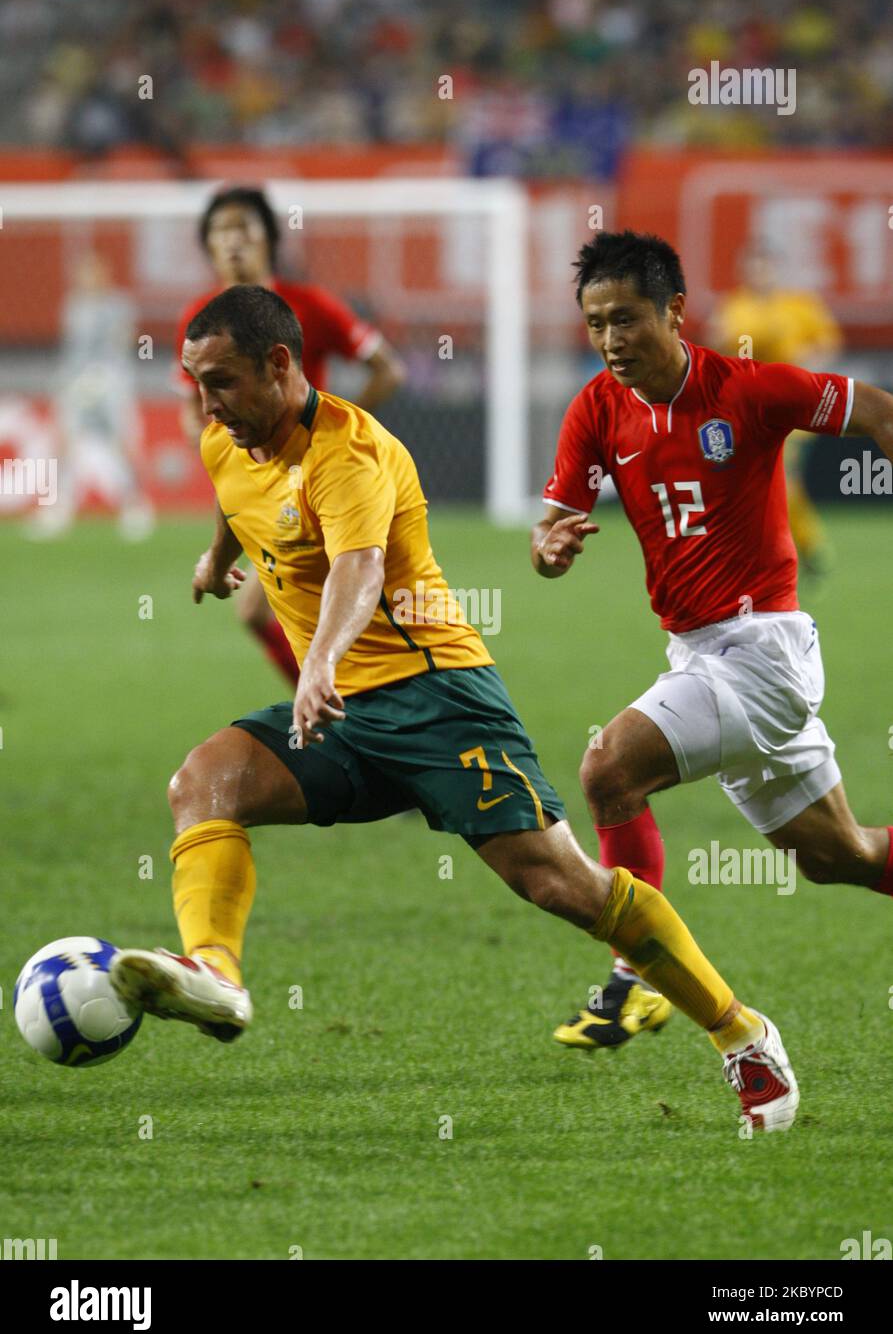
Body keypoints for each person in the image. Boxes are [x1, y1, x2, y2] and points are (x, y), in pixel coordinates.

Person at [110, 284, 799, 1134]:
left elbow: (358, 571)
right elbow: (236, 494)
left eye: (220, 382)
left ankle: (741, 1034)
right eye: (195, 383)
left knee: (562, 886)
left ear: (280, 365)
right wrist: (218, 558)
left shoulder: (350, 454)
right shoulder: (227, 438)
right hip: (346, 714)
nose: (206, 404)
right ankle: (214, 974)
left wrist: (316, 661)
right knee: (204, 780)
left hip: (440, 700)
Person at [532, 230, 893, 1053]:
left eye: (625, 319)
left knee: (608, 770)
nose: (611, 340)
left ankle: (634, 982)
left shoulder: (748, 390)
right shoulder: (596, 408)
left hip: (761, 648)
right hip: (697, 654)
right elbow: (548, 526)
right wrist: (547, 547)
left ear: (674, 312)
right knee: (838, 854)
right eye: (595, 323)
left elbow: (876, 410)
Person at [173, 185, 406, 682]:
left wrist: (339, 431)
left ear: (269, 240)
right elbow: (190, 410)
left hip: (318, 482)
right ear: (208, 248)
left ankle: (334, 701)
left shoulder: (308, 304)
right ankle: (333, 701)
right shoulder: (201, 325)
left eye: (244, 229)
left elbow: (388, 368)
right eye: (220, 232)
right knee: (282, 611)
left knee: (272, 607)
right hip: (264, 482)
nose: (232, 242)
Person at [711, 241, 843, 577]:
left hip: (795, 405)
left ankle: (799, 545)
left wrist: (805, 370)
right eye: (753, 267)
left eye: (764, 267)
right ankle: (791, 546)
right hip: (753, 408)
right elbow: (721, 356)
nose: (759, 274)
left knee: (780, 469)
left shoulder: (799, 306)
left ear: (775, 270)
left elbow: (828, 344)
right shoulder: (733, 310)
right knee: (761, 479)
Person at [29, 250, 154, 540]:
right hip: (77, 381)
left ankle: (135, 505)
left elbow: (126, 341)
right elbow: (71, 348)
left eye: (92, 273)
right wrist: (64, 382)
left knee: (122, 441)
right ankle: (60, 506)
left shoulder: (119, 305)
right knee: (65, 441)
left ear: (104, 275)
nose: (86, 279)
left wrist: (107, 371)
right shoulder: (73, 306)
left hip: (110, 379)